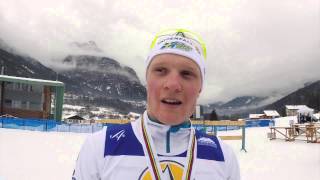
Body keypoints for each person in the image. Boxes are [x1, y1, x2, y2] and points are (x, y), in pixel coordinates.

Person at [72, 29, 240, 180]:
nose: (173, 84)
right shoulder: (100, 147)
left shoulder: (223, 157)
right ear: (147, 79)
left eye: (186, 73)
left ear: (200, 87)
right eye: (161, 70)